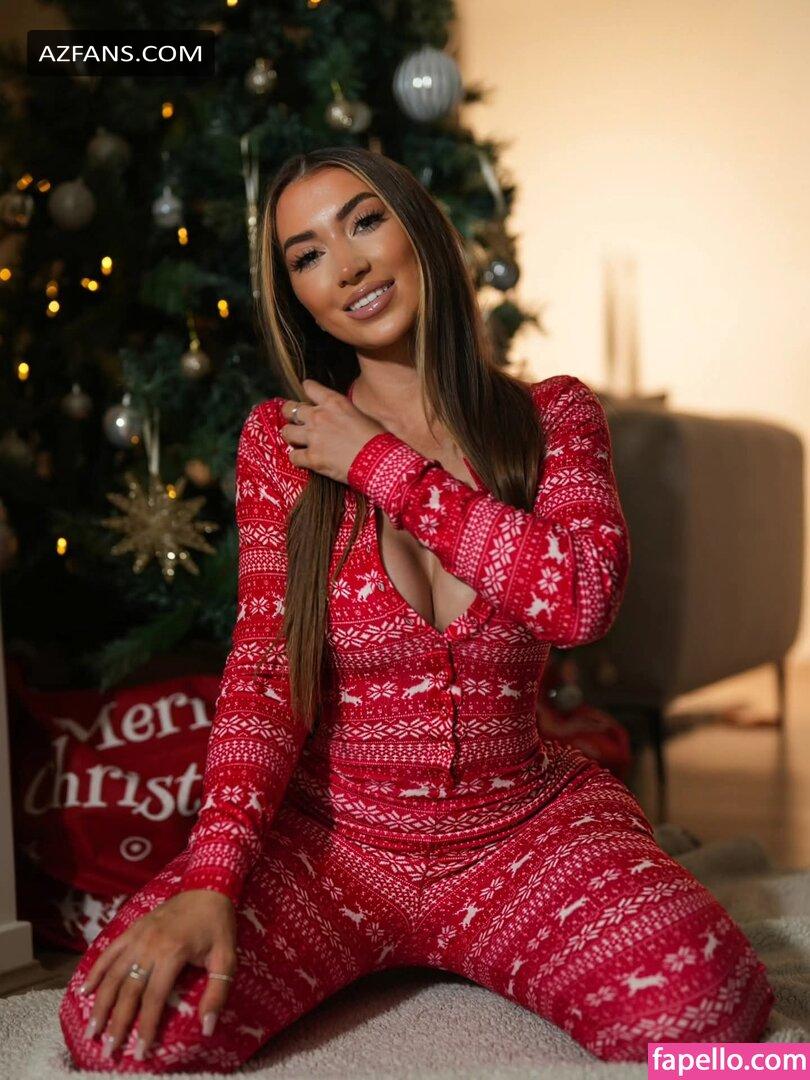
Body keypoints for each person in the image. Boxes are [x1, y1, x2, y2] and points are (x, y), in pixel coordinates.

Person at [59, 147, 775, 1073]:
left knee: (710, 1019)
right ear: (297, 296)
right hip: (334, 842)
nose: (347, 265)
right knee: (117, 1027)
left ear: (419, 231)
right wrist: (213, 878)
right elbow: (266, 673)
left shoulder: (553, 418)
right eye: (307, 254)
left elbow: (580, 599)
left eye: (364, 221)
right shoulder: (281, 446)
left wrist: (380, 464)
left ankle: (544, 909)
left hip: (521, 827)